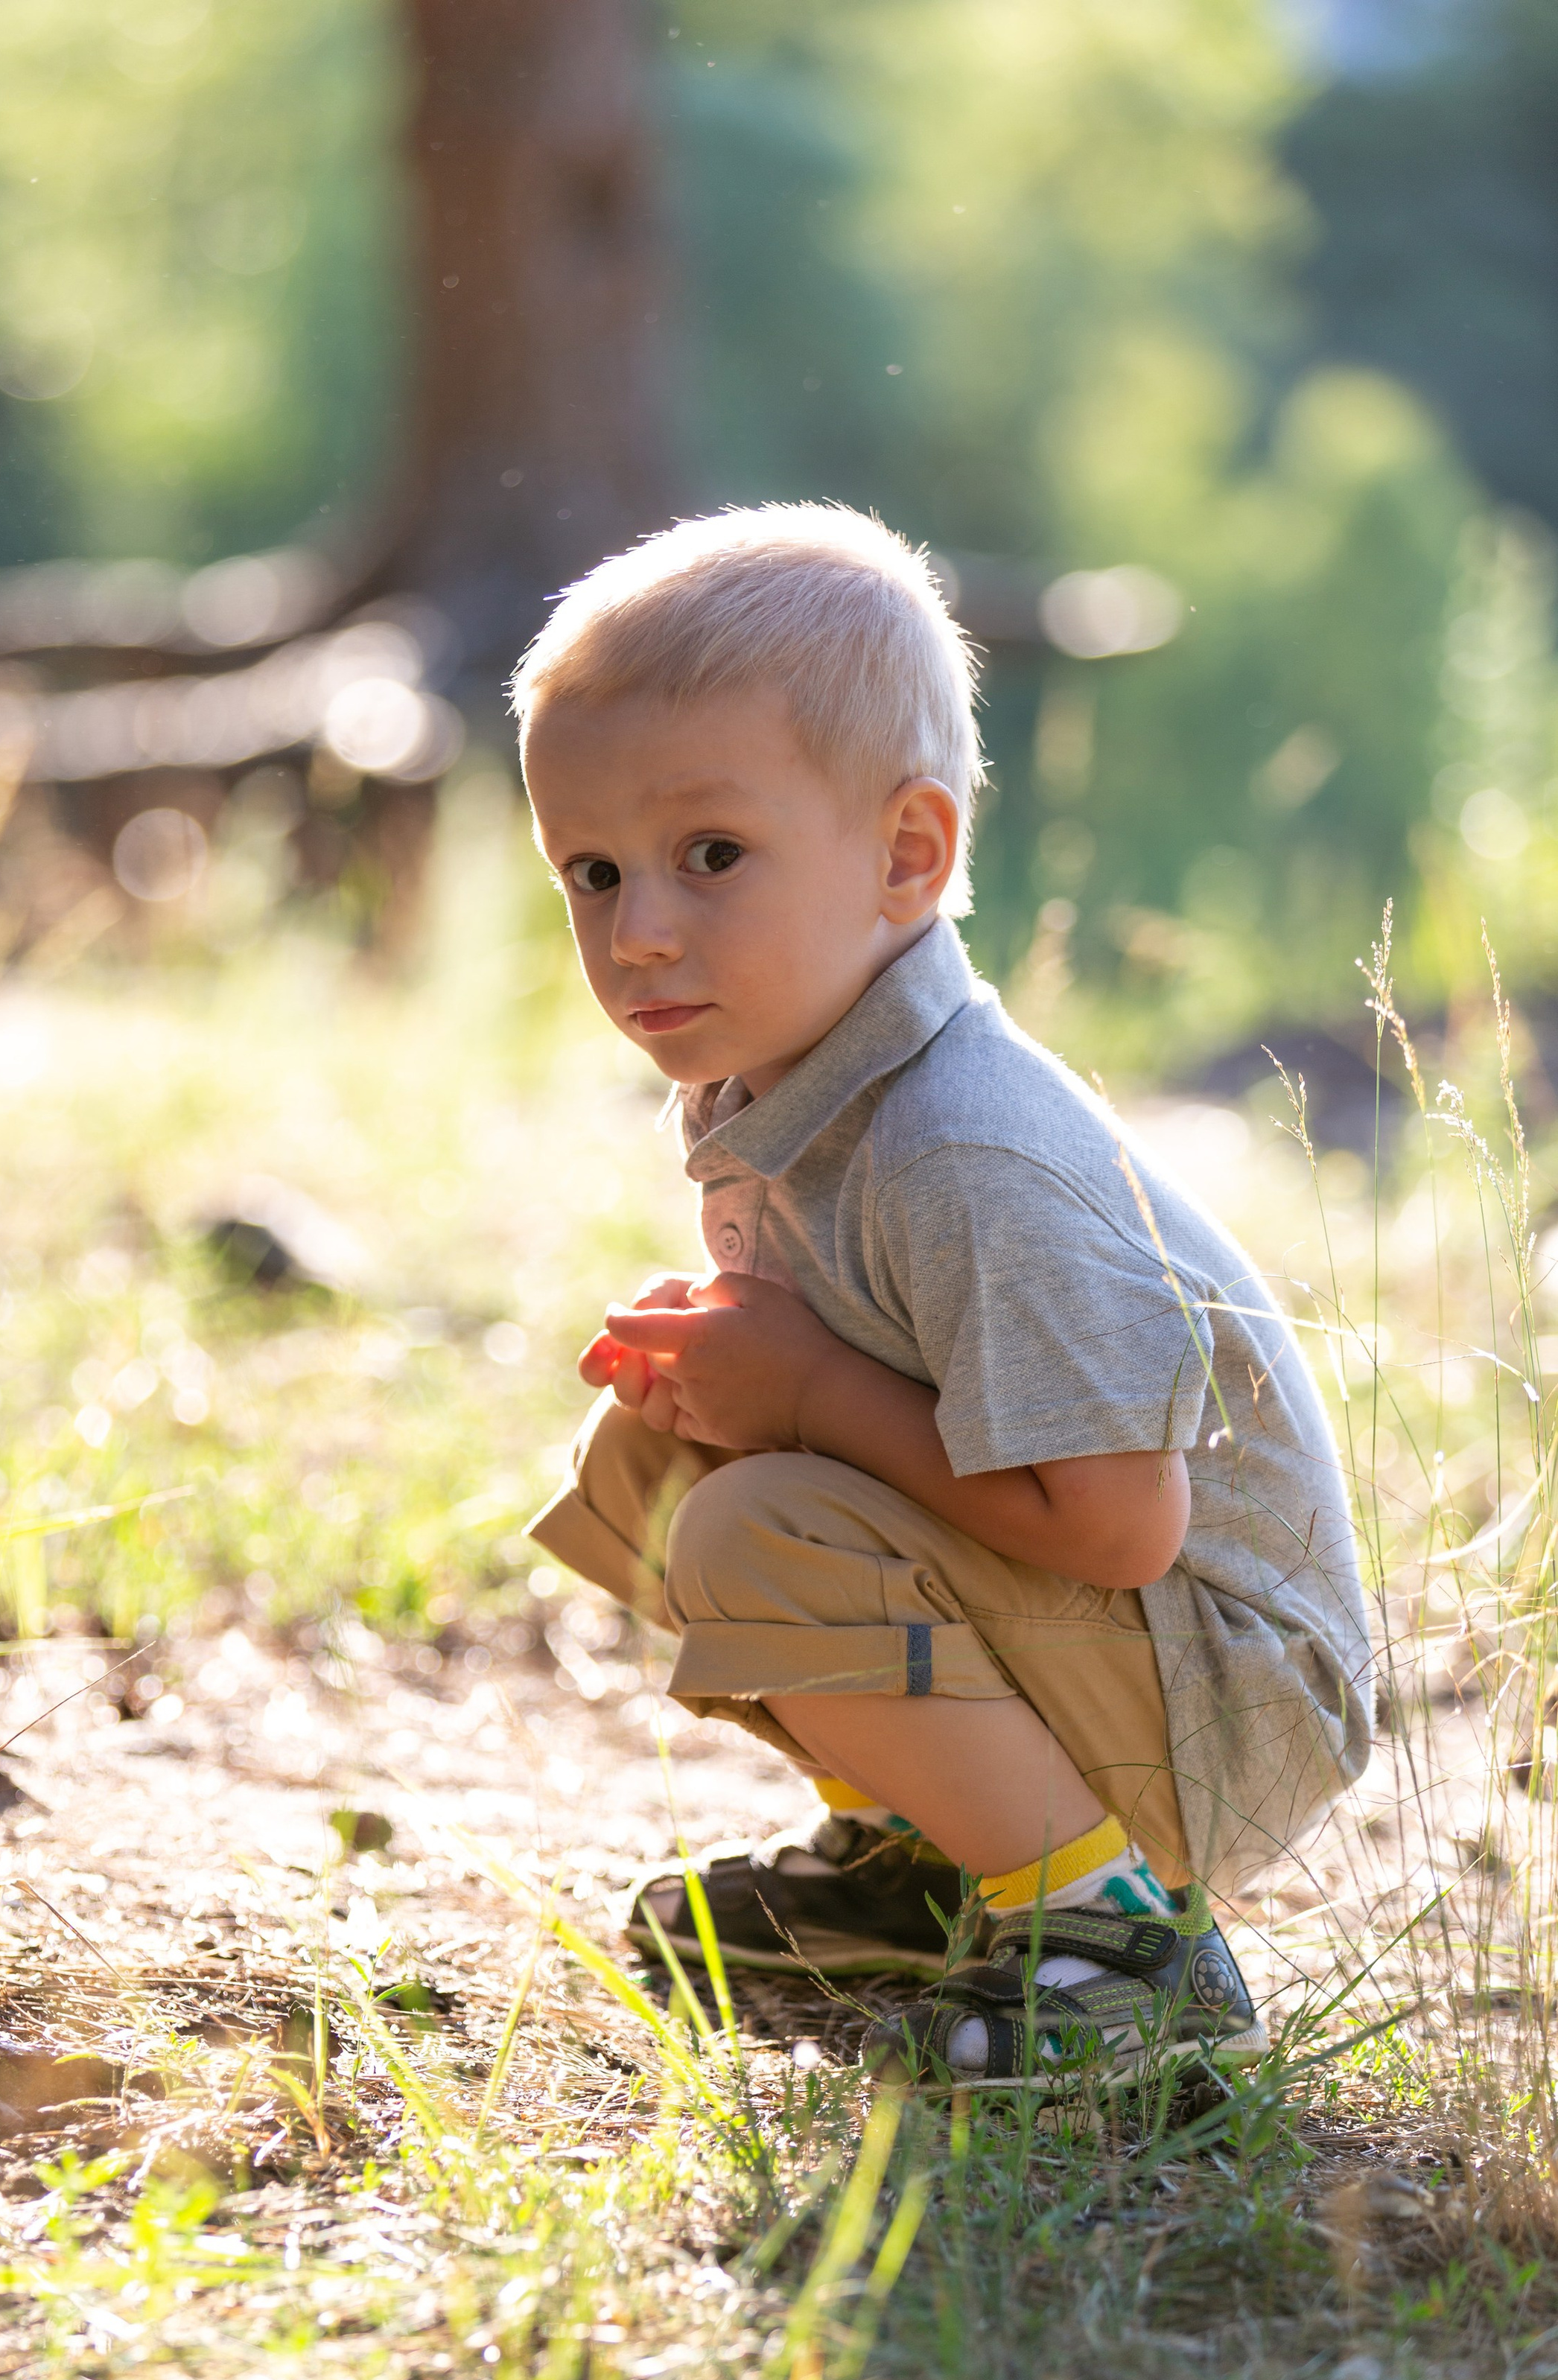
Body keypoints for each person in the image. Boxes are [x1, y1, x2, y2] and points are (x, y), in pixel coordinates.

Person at [512, 504, 1372, 2090]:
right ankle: (937, 1866)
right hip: (1126, 1647)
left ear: (906, 854)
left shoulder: (968, 1153)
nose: (637, 930)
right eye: (591, 871)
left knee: (748, 1523)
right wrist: (741, 1371)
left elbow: (1118, 1526)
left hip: (1224, 1697)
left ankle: (1119, 1937)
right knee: (650, 1472)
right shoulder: (789, 1082)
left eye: (711, 856)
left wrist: (807, 1397)